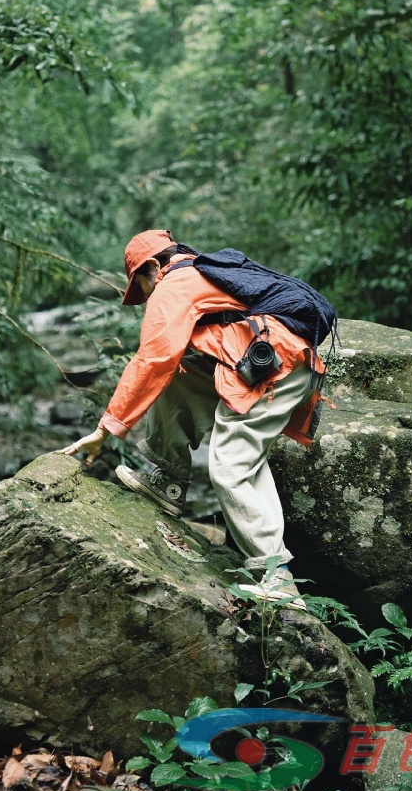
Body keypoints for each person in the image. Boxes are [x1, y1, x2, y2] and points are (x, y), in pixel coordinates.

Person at [56, 229, 325, 610]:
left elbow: (151, 359)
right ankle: (169, 484)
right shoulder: (205, 273)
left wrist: (106, 429)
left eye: (143, 286)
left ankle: (276, 578)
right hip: (272, 362)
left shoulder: (176, 284)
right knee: (181, 374)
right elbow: (169, 364)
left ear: (153, 267)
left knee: (230, 467)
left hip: (273, 365)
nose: (147, 296)